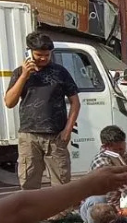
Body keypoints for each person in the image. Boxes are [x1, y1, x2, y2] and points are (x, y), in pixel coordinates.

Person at [4, 32, 80, 190]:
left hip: (56, 136)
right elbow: (9, 102)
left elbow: (75, 102)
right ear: (29, 52)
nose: (44, 58)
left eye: (47, 55)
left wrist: (68, 130)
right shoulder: (19, 73)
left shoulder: (60, 72)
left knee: (62, 184)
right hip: (29, 136)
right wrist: (24, 75)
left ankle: (61, 208)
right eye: (39, 55)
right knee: (29, 182)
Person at [78, 125, 127, 223]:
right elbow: (123, 186)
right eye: (117, 150)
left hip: (118, 207)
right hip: (102, 207)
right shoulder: (101, 162)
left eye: (122, 148)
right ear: (105, 147)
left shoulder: (126, 156)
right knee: (97, 200)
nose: (121, 152)